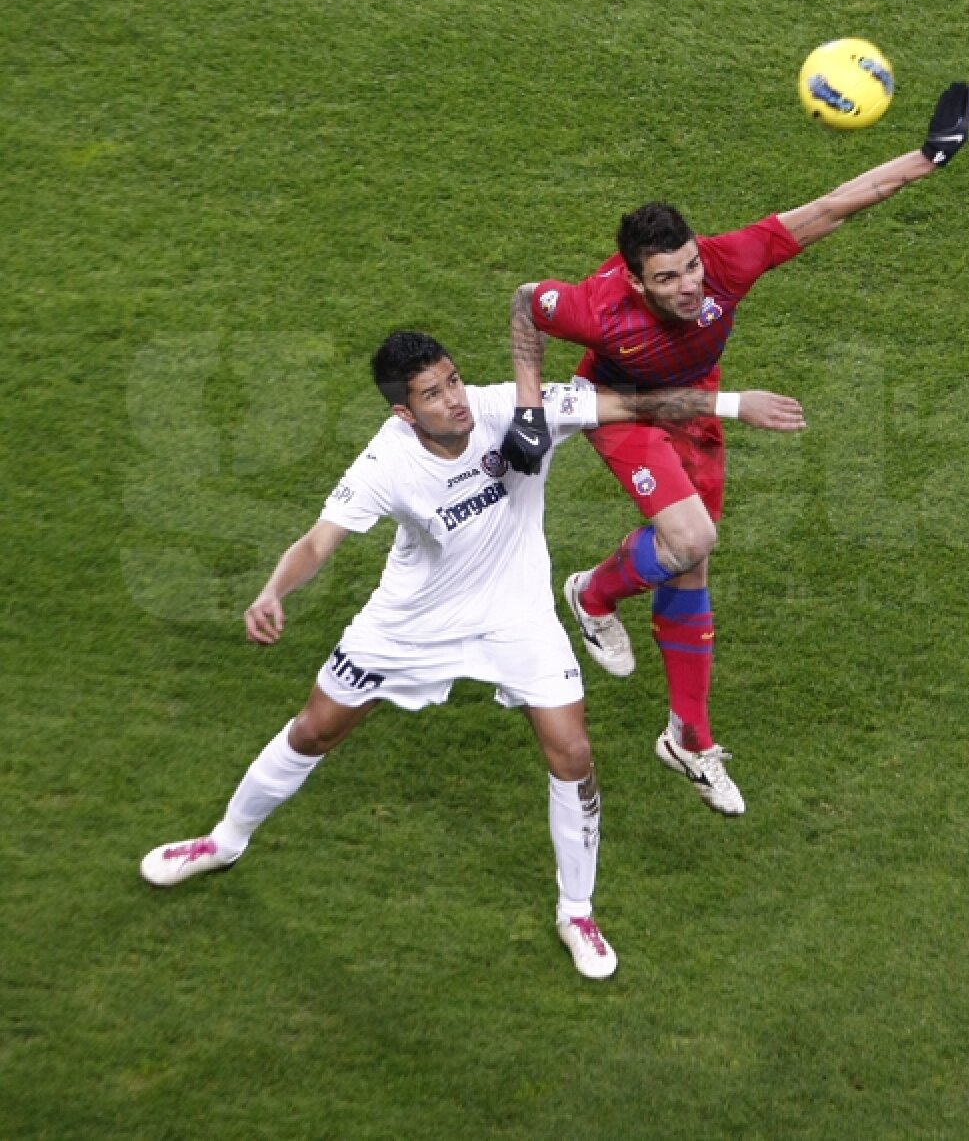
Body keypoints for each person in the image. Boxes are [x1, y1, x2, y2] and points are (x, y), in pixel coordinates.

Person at [140, 330, 804, 979]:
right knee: (314, 730)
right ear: (404, 411)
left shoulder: (506, 410)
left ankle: (577, 913)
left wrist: (732, 402)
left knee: (572, 754)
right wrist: (272, 591)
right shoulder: (386, 463)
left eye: (454, 380)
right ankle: (223, 841)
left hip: (516, 618)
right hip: (412, 621)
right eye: (433, 393)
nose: (455, 399)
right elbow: (319, 541)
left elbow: (629, 404)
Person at [500, 82, 969, 817]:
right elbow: (528, 302)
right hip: (621, 410)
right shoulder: (596, 311)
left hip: (695, 407)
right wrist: (531, 404)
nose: (690, 286)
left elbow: (829, 208)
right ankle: (593, 595)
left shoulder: (724, 265)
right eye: (668, 277)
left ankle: (687, 740)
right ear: (634, 279)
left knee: (691, 559)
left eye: (690, 266)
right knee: (690, 536)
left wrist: (926, 158)